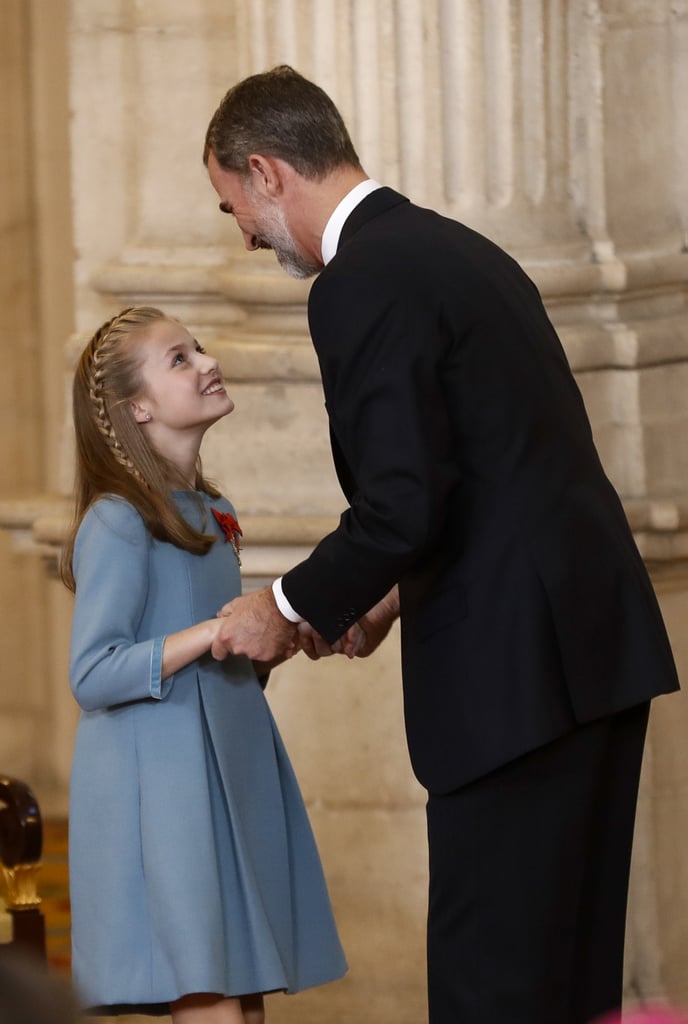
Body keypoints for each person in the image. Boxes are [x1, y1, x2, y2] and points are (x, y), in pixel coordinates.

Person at [200, 65, 681, 1024]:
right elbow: (494, 471)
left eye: (232, 209)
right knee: (568, 992)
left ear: (266, 172)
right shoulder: (461, 250)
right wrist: (387, 595)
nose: (246, 235)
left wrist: (284, 606)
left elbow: (402, 506)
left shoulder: (358, 283)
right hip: (590, 660)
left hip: (514, 687)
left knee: (492, 995)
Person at [60, 306, 347, 1023]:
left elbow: (224, 660)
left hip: (225, 774)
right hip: (161, 789)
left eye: (199, 348)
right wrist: (212, 634)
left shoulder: (212, 509)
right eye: (180, 359)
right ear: (140, 407)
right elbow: (93, 672)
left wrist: (277, 639)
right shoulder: (118, 519)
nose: (207, 362)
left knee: (242, 999)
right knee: (210, 1000)